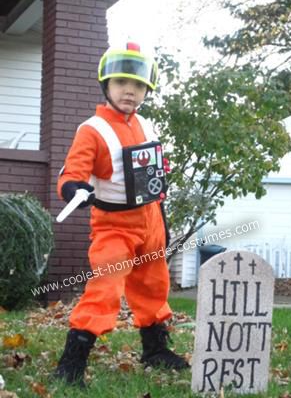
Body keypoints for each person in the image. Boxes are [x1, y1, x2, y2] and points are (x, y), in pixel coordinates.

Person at [53, 42, 189, 388]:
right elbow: (72, 174)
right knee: (106, 287)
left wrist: (164, 220)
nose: (130, 91)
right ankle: (71, 363)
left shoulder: (146, 124)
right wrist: (74, 191)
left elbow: (157, 175)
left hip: (150, 219)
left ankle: (155, 350)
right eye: (121, 83)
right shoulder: (92, 130)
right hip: (114, 224)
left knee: (154, 285)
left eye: (138, 85)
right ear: (106, 85)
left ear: (147, 89)